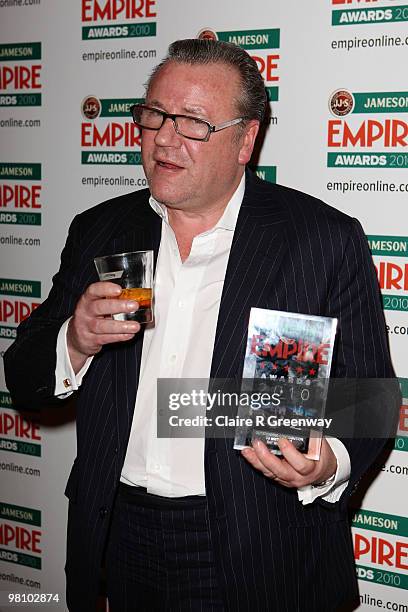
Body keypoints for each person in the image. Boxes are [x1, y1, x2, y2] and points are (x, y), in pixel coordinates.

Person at [4, 39, 396, 611]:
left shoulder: (321, 238)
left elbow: (373, 400)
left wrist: (325, 461)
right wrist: (75, 339)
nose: (164, 137)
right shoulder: (98, 230)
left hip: (265, 543)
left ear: (245, 140)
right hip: (120, 536)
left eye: (192, 122)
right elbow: (25, 375)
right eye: (154, 115)